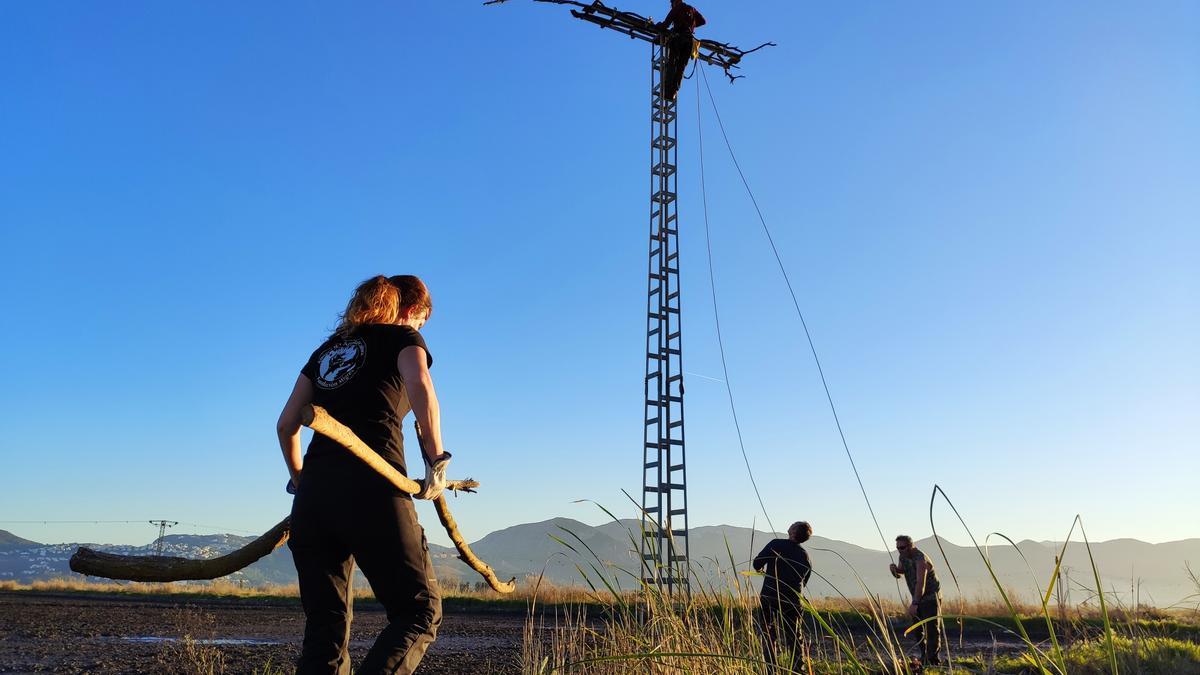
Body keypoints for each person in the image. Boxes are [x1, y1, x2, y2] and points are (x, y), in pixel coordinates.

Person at [276, 274, 450, 675]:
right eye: (421, 321)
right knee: (420, 609)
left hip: (314, 502)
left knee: (325, 635)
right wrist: (437, 461)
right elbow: (420, 384)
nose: (420, 330)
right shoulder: (402, 338)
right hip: (373, 491)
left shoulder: (326, 351)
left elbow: (286, 425)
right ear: (410, 311)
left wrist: (300, 480)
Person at [753, 521, 813, 672]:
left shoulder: (776, 544)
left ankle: (771, 669)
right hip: (793, 601)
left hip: (770, 596)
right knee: (794, 637)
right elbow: (803, 581)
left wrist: (762, 569)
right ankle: (798, 669)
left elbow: (757, 563)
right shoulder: (805, 556)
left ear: (793, 531)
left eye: (793, 525)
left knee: (768, 634)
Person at [889, 535, 942, 667]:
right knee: (918, 629)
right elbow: (901, 571)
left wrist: (915, 603)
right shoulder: (903, 556)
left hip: (930, 598)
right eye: (897, 548)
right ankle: (924, 657)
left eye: (902, 547)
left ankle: (933, 661)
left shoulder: (921, 559)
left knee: (931, 629)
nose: (900, 550)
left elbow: (920, 584)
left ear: (911, 546)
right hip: (917, 598)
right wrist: (894, 570)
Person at [654, 0, 706, 101]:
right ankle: (674, 92)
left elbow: (666, 24)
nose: (671, 5)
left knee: (672, 64)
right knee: (681, 67)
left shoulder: (677, 7)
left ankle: (667, 91)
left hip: (679, 39)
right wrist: (692, 25)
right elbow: (703, 21)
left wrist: (659, 26)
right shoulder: (692, 9)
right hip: (689, 42)